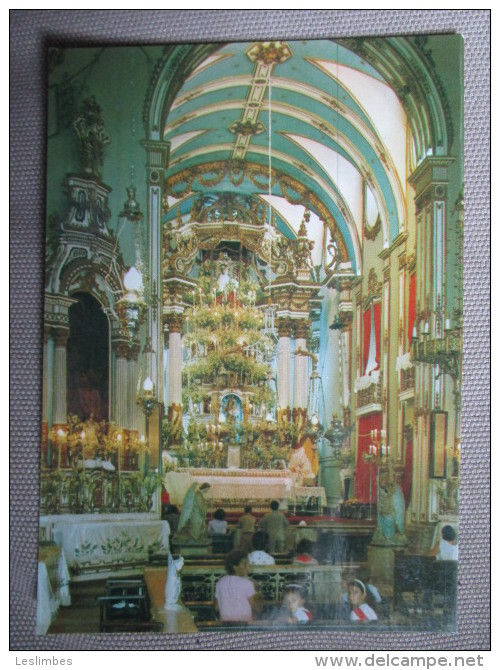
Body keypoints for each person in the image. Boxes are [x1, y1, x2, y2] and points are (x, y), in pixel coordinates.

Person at [214, 550, 263, 622]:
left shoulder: (220, 582)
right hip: (244, 626)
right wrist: (257, 590)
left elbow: (216, 607)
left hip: (225, 625)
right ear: (235, 567)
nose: (248, 567)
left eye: (248, 564)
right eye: (244, 564)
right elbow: (257, 608)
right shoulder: (247, 583)